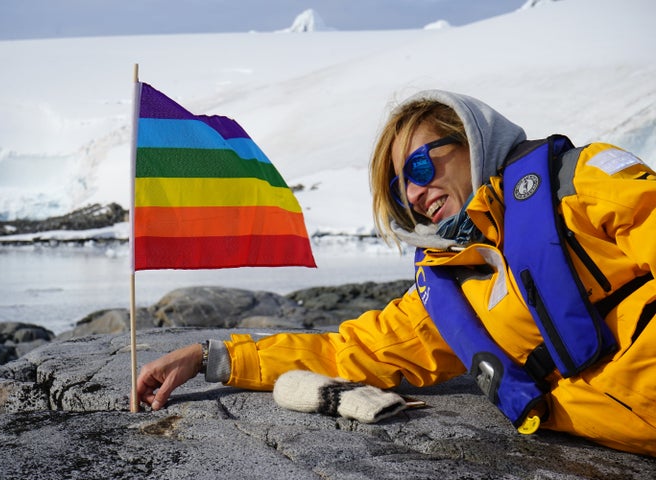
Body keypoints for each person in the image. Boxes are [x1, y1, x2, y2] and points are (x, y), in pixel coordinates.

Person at [135, 90, 656, 456]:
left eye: (422, 167)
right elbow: (346, 351)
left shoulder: (578, 185)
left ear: (472, 141)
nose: (412, 193)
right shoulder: (448, 289)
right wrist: (211, 357)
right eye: (398, 185)